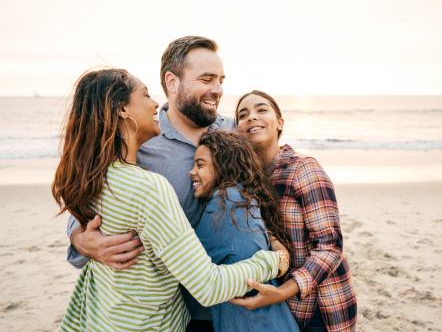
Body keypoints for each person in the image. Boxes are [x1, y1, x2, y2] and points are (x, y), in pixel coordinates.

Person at [53, 70, 288, 331]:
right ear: (121, 109)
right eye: (145, 94)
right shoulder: (149, 186)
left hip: (103, 318)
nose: (154, 103)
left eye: (221, 81)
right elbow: (209, 287)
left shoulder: (92, 177)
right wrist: (273, 261)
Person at [66, 36, 231, 331]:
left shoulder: (234, 132)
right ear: (172, 81)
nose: (217, 89)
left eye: (220, 80)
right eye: (206, 79)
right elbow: (87, 202)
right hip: (173, 308)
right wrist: (82, 240)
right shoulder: (139, 142)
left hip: (232, 304)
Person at [231, 90, 357, 332]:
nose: (251, 118)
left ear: (279, 123)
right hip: (285, 310)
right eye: (243, 115)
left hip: (323, 307)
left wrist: (280, 292)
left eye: (261, 110)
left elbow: (330, 247)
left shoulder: (303, 168)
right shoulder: (245, 182)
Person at [189, 131, 299, 332]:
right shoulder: (243, 197)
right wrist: (280, 256)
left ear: (223, 166)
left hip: (250, 324)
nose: (192, 172)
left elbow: (187, 267)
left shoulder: (223, 203)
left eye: (200, 164)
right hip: (274, 320)